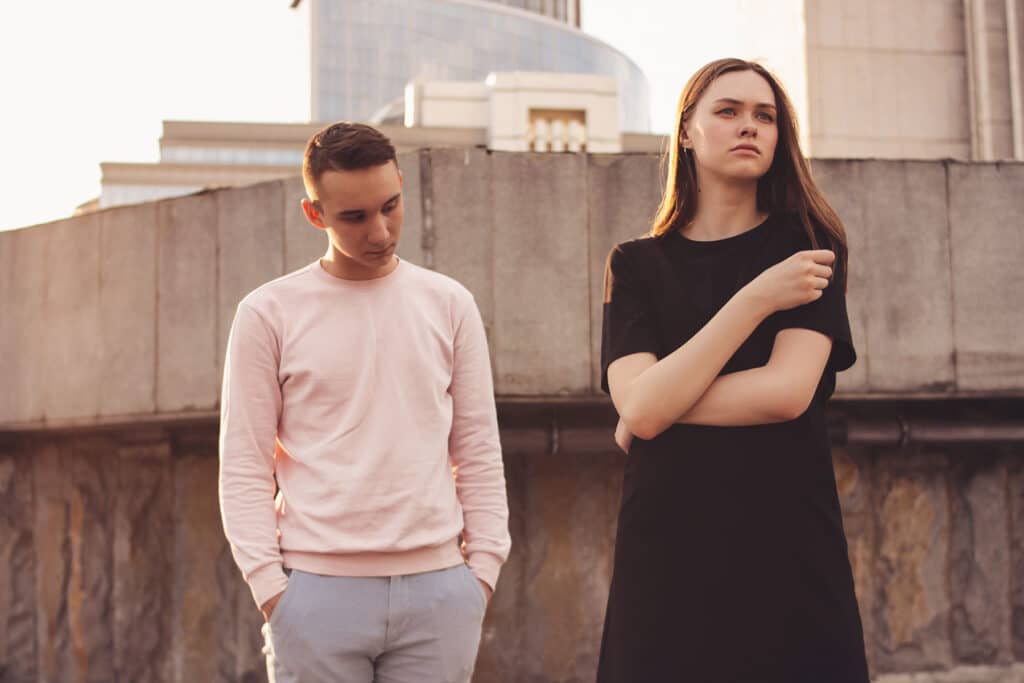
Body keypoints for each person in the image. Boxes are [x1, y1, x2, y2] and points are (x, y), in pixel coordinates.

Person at [597, 58, 869, 682]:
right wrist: (757, 299)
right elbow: (638, 407)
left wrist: (657, 404)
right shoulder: (634, 265)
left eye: (765, 116)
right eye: (728, 111)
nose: (750, 126)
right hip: (667, 548)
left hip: (786, 543)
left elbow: (785, 392)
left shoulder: (808, 242)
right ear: (686, 132)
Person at [218, 122, 511, 683]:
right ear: (315, 214)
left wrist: (482, 573)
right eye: (354, 217)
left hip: (441, 593)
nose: (379, 231)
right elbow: (244, 466)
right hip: (315, 597)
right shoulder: (266, 314)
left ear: (401, 184)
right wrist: (272, 591)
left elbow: (476, 447)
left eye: (390, 206)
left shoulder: (449, 303)